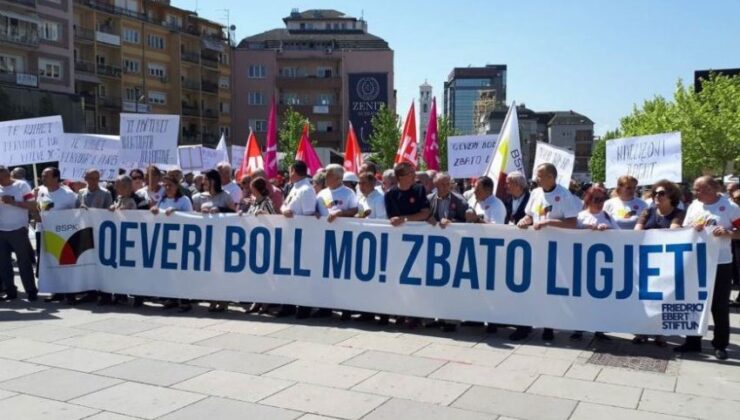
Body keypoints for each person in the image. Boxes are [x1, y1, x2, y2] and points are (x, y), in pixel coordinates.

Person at [677, 176, 740, 360]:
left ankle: (720, 344)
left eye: (700, 189)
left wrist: (728, 233)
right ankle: (692, 341)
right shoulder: (694, 206)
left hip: (721, 262)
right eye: (695, 189)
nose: (696, 193)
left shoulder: (731, 207)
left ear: (713, 188)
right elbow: (684, 229)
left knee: (719, 305)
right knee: (694, 301)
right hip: (697, 261)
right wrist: (692, 228)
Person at [517, 163, 582, 341]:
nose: (536, 178)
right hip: (536, 248)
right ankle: (526, 324)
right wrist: (525, 220)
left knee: (550, 289)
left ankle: (549, 326)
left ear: (551, 177)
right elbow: (530, 215)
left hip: (556, 251)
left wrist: (548, 223)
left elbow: (572, 223)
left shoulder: (564, 195)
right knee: (531, 287)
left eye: (540, 175)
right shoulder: (536, 193)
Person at [631, 179, 685, 346]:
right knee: (644, 297)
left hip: (667, 262)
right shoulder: (648, 211)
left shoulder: (678, 213)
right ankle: (641, 331)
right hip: (646, 261)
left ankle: (660, 333)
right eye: (655, 193)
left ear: (671, 196)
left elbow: (673, 231)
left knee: (664, 297)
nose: (657, 196)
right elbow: (637, 230)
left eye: (662, 193)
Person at [384, 162, 431, 327]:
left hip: (418, 242)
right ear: (400, 177)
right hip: (398, 243)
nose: (414, 175)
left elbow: (425, 213)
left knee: (415, 279)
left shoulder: (418, 190)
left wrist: (405, 219)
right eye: (410, 173)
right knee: (398, 278)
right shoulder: (390, 194)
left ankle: (415, 314)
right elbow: (391, 218)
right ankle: (401, 311)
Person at [278, 160, 317, 318]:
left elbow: (308, 214)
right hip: (290, 237)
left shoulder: (306, 190)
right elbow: (284, 205)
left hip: (302, 238)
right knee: (289, 273)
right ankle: (288, 304)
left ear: (294, 171)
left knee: (302, 274)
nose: (288, 173)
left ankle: (304, 306)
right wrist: (284, 210)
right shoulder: (294, 187)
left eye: (290, 170)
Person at [37, 167, 80, 303]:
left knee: (66, 264)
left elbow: (76, 213)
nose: (42, 178)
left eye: (46, 176)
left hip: (63, 235)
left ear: (56, 178)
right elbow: (40, 208)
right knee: (50, 263)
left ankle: (70, 293)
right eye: (42, 176)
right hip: (45, 232)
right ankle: (57, 291)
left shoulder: (67, 194)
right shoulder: (41, 191)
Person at [151, 174, 193, 312]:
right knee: (169, 271)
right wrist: (154, 210)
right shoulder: (161, 201)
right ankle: (172, 297)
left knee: (182, 271)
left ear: (177, 186)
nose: (168, 188)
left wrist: (176, 212)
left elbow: (191, 217)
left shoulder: (184, 200)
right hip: (166, 240)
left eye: (170, 185)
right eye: (165, 185)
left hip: (180, 239)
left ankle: (185, 299)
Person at [502, 170, 532, 341]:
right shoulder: (507, 201)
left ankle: (524, 325)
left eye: (509, 183)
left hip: (529, 250)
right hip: (512, 250)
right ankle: (516, 320)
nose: (506, 186)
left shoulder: (530, 200)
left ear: (518, 184)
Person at [0, 165, 37, 301]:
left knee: (24, 262)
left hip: (18, 230)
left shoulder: (21, 186)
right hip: (1, 231)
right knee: (3, 264)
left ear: (7, 174)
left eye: (2, 177)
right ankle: (10, 291)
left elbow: (33, 205)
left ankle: (31, 291)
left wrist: (14, 202)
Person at [242, 177, 277, 314]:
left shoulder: (266, 202)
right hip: (253, 240)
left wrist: (265, 214)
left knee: (265, 273)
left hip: (265, 241)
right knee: (255, 273)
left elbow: (275, 218)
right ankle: (257, 300)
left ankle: (266, 301)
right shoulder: (253, 202)